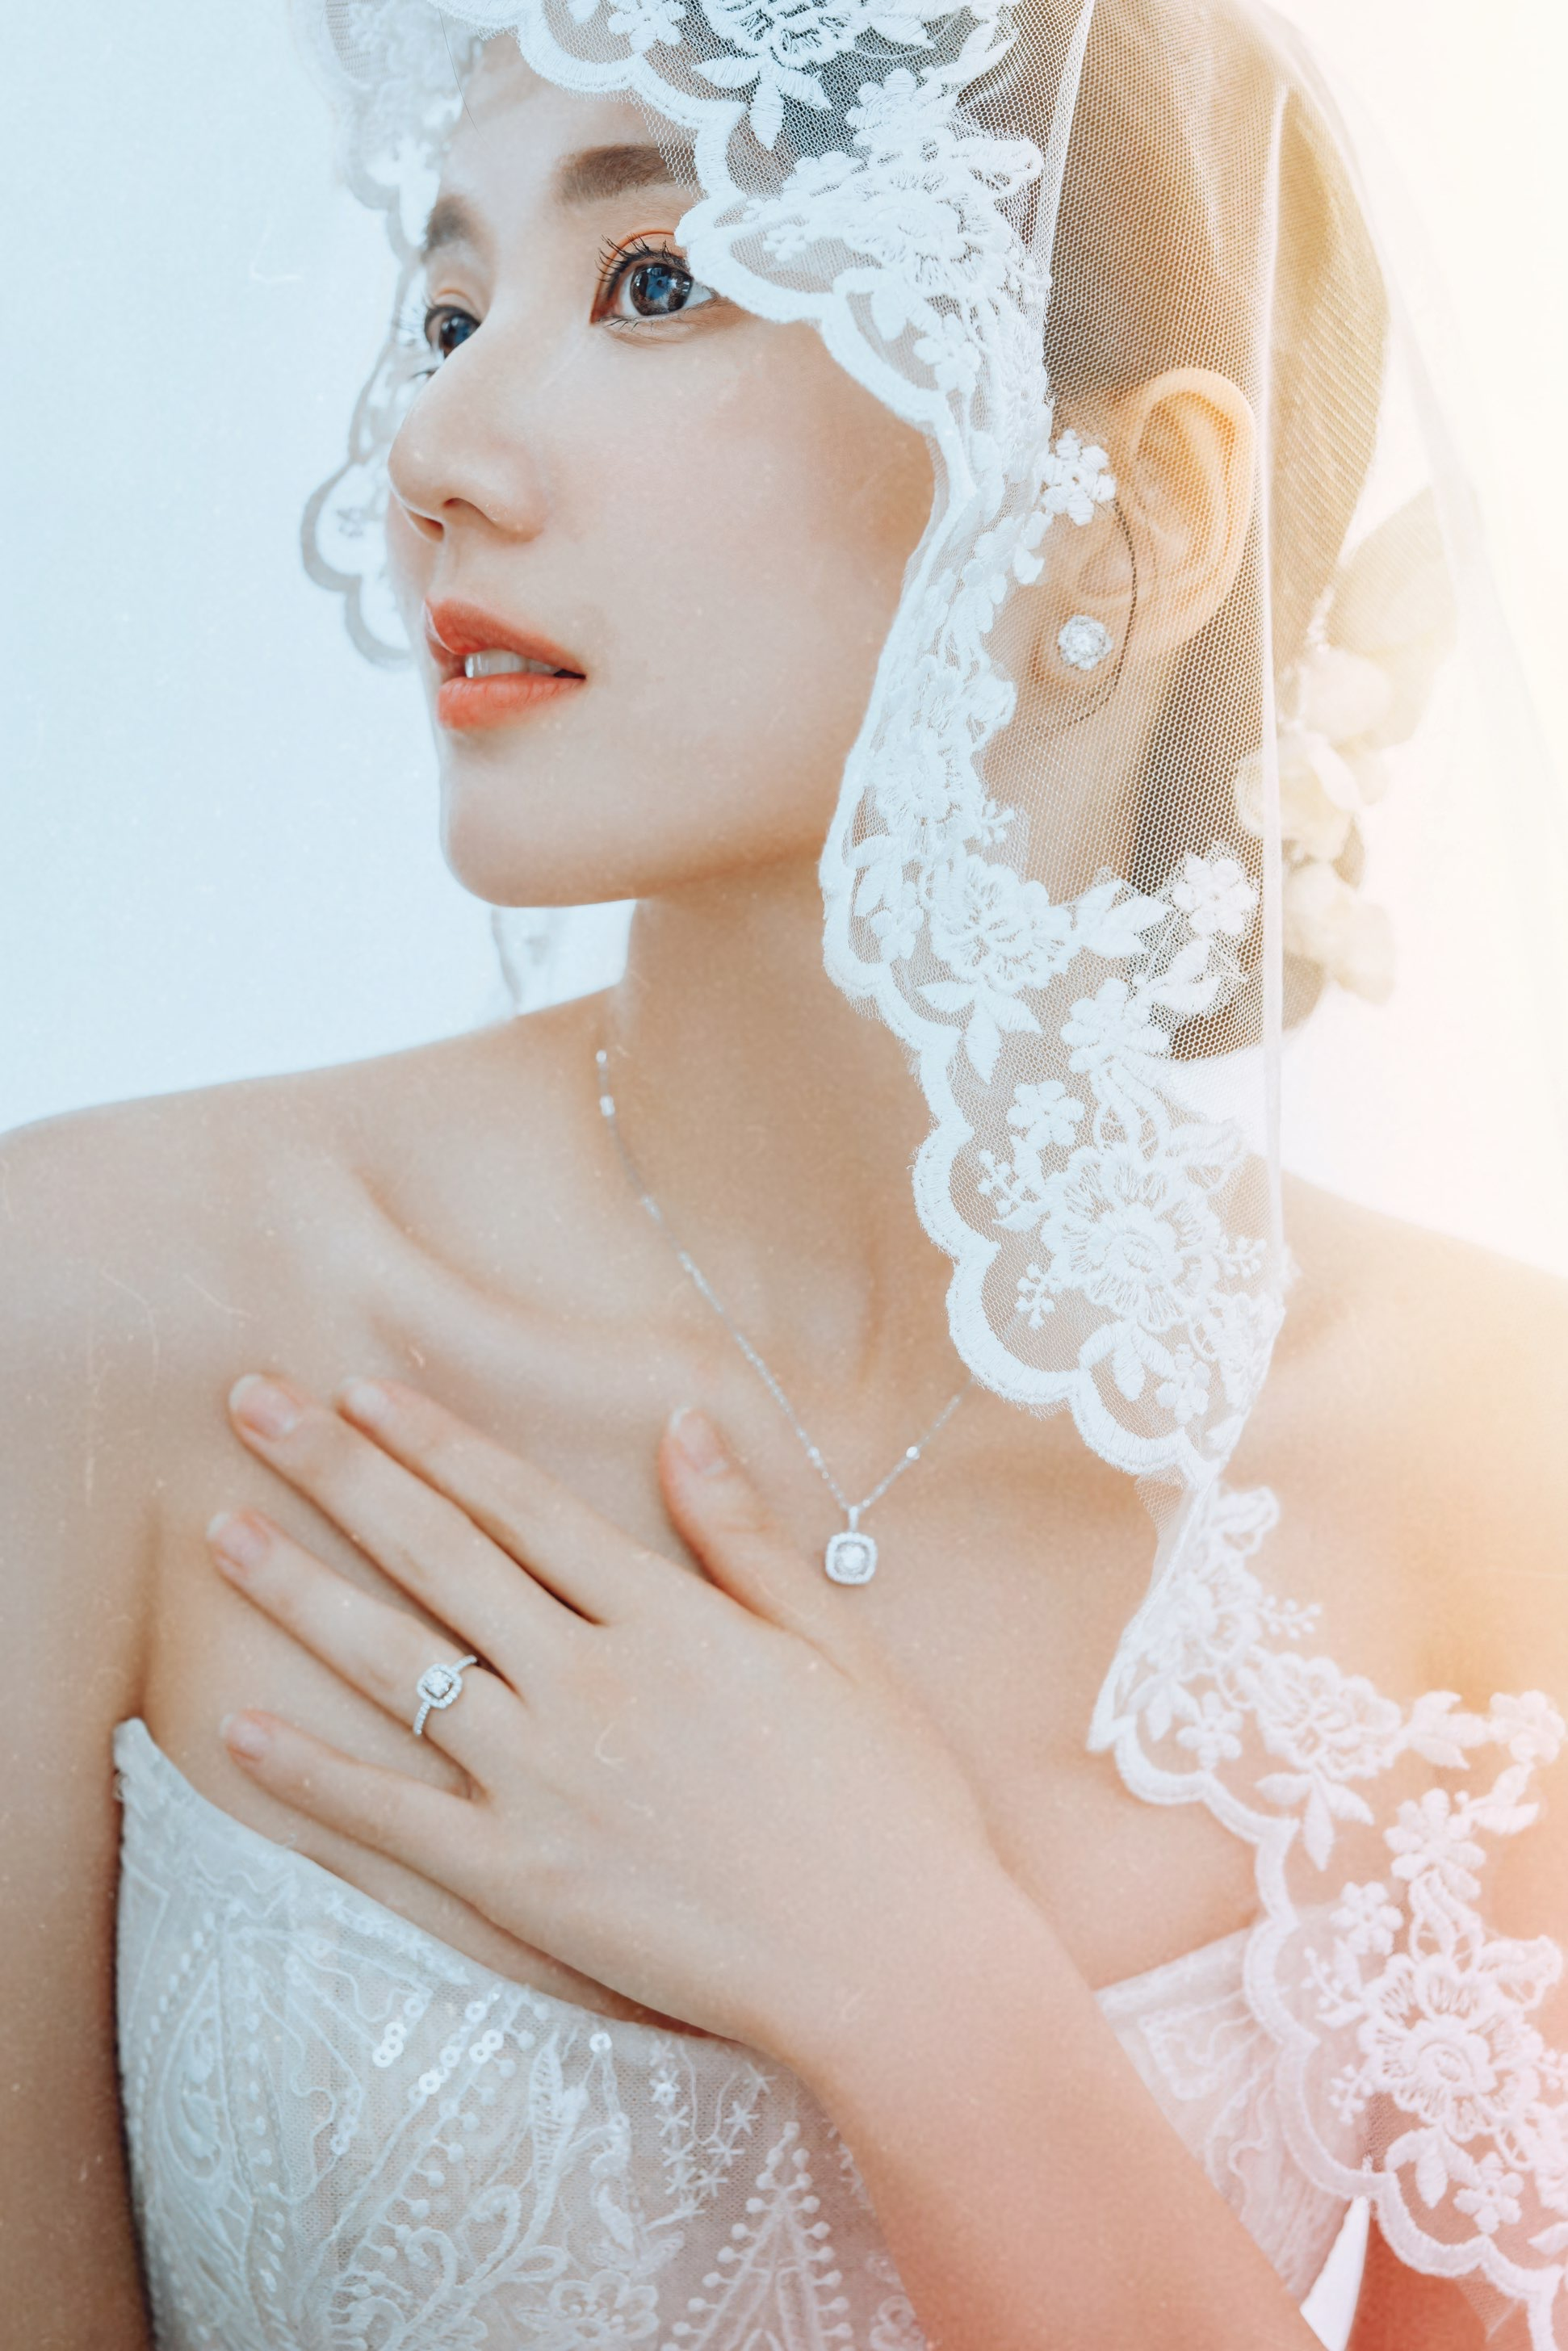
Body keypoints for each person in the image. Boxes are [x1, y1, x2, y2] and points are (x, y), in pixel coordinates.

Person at [4, 0, 1566, 2344]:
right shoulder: (96, 1316)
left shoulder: (1487, 1464)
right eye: (451, 306)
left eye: (654, 281)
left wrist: (917, 1983)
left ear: (1130, 515)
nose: (434, 446)